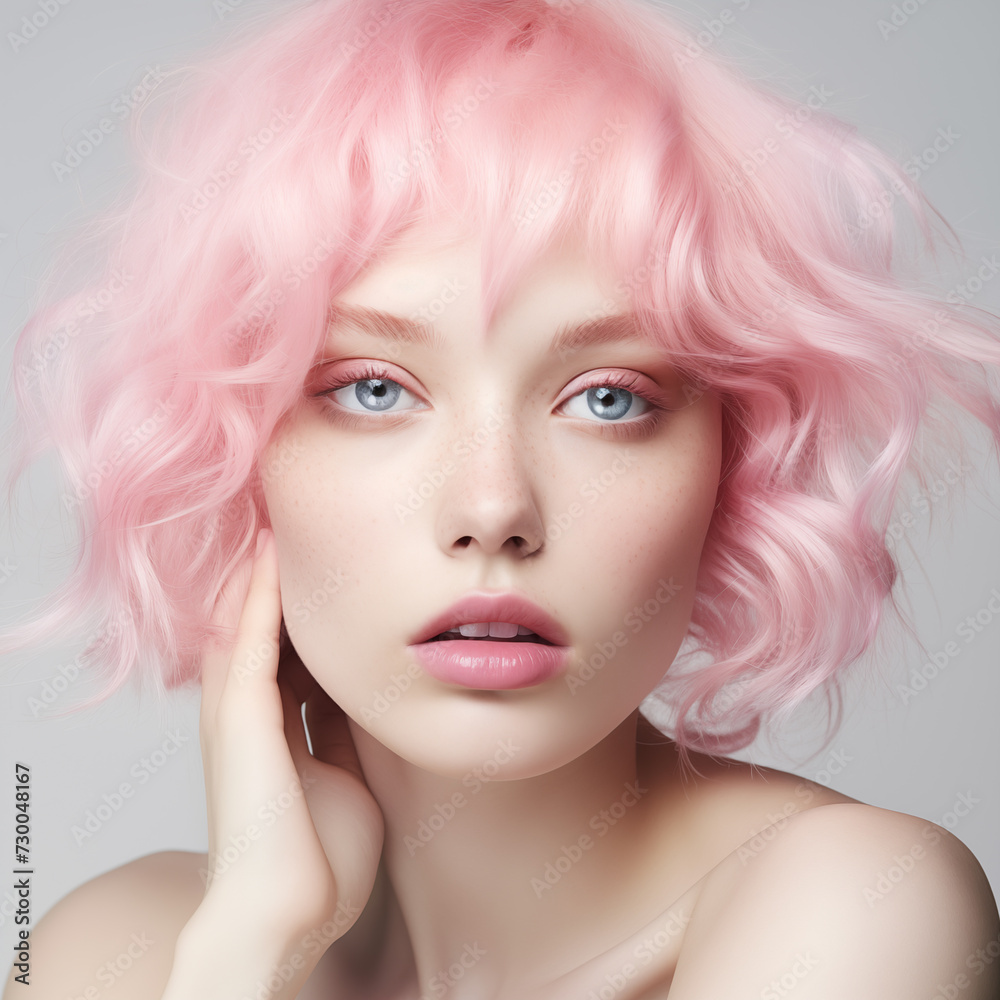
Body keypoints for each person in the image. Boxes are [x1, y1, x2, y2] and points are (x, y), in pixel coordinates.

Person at [3, 0, 999, 996]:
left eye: (608, 398)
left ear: (729, 470)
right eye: (373, 388)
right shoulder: (110, 952)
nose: (493, 507)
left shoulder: (854, 904)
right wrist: (251, 952)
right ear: (232, 456)